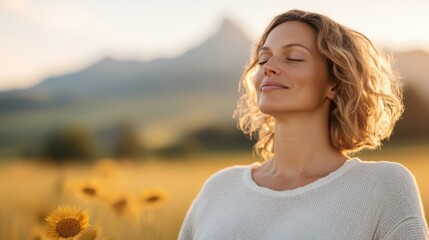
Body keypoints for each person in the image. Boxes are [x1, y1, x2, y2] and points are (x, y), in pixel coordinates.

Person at [178, 9, 429, 239]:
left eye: (294, 58)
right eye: (264, 59)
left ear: (335, 83)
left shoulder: (383, 186)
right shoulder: (219, 188)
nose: (270, 68)